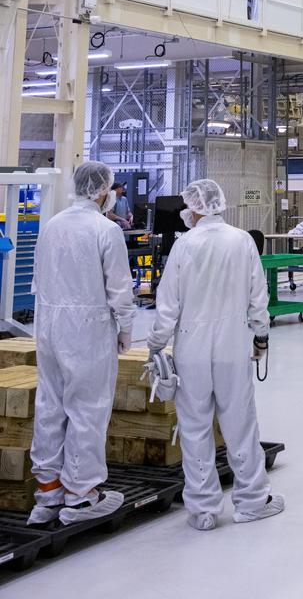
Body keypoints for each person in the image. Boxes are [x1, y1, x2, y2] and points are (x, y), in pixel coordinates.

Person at [147, 178, 283, 531]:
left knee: (193, 428)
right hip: (233, 344)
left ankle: (204, 509)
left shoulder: (184, 246)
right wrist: (262, 338)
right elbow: (258, 297)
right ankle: (253, 500)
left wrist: (156, 346)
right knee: (240, 424)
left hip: (190, 346)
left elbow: (167, 305)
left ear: (194, 208)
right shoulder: (242, 242)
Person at [29, 160, 135, 526]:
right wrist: (125, 329)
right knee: (87, 408)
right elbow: (119, 289)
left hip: (49, 325)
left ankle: (48, 490)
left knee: (50, 403)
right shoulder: (105, 231)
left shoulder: (52, 225)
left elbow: (38, 279)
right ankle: (81, 494)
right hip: (87, 329)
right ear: (103, 190)